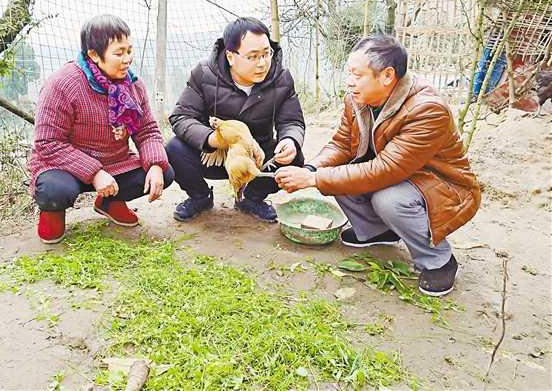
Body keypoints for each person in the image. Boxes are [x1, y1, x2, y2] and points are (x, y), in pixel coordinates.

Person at [275, 35, 481, 296]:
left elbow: (385, 170)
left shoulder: (428, 109)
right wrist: (312, 170)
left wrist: (315, 180)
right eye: (349, 73)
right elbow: (340, 144)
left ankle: (438, 261)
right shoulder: (357, 99)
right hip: (396, 175)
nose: (349, 82)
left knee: (388, 199)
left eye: (357, 75)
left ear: (387, 76)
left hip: (439, 184)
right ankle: (376, 232)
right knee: (336, 176)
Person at [28, 15, 174, 243]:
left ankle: (110, 202)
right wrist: (94, 173)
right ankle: (53, 212)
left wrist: (155, 164)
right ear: (94, 55)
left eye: (129, 50)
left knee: (164, 172)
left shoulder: (133, 85)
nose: (127, 59)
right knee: (54, 191)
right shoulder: (63, 84)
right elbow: (48, 143)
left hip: (114, 163)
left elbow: (147, 131)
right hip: (64, 167)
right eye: (119, 53)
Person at [166, 17, 305, 222]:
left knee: (294, 157)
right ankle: (200, 196)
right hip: (213, 156)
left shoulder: (281, 78)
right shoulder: (204, 74)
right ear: (231, 56)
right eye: (253, 56)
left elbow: (292, 121)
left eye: (266, 54)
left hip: (256, 158)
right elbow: (181, 117)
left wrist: (290, 140)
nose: (262, 63)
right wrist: (213, 140)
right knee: (173, 149)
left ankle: (251, 199)